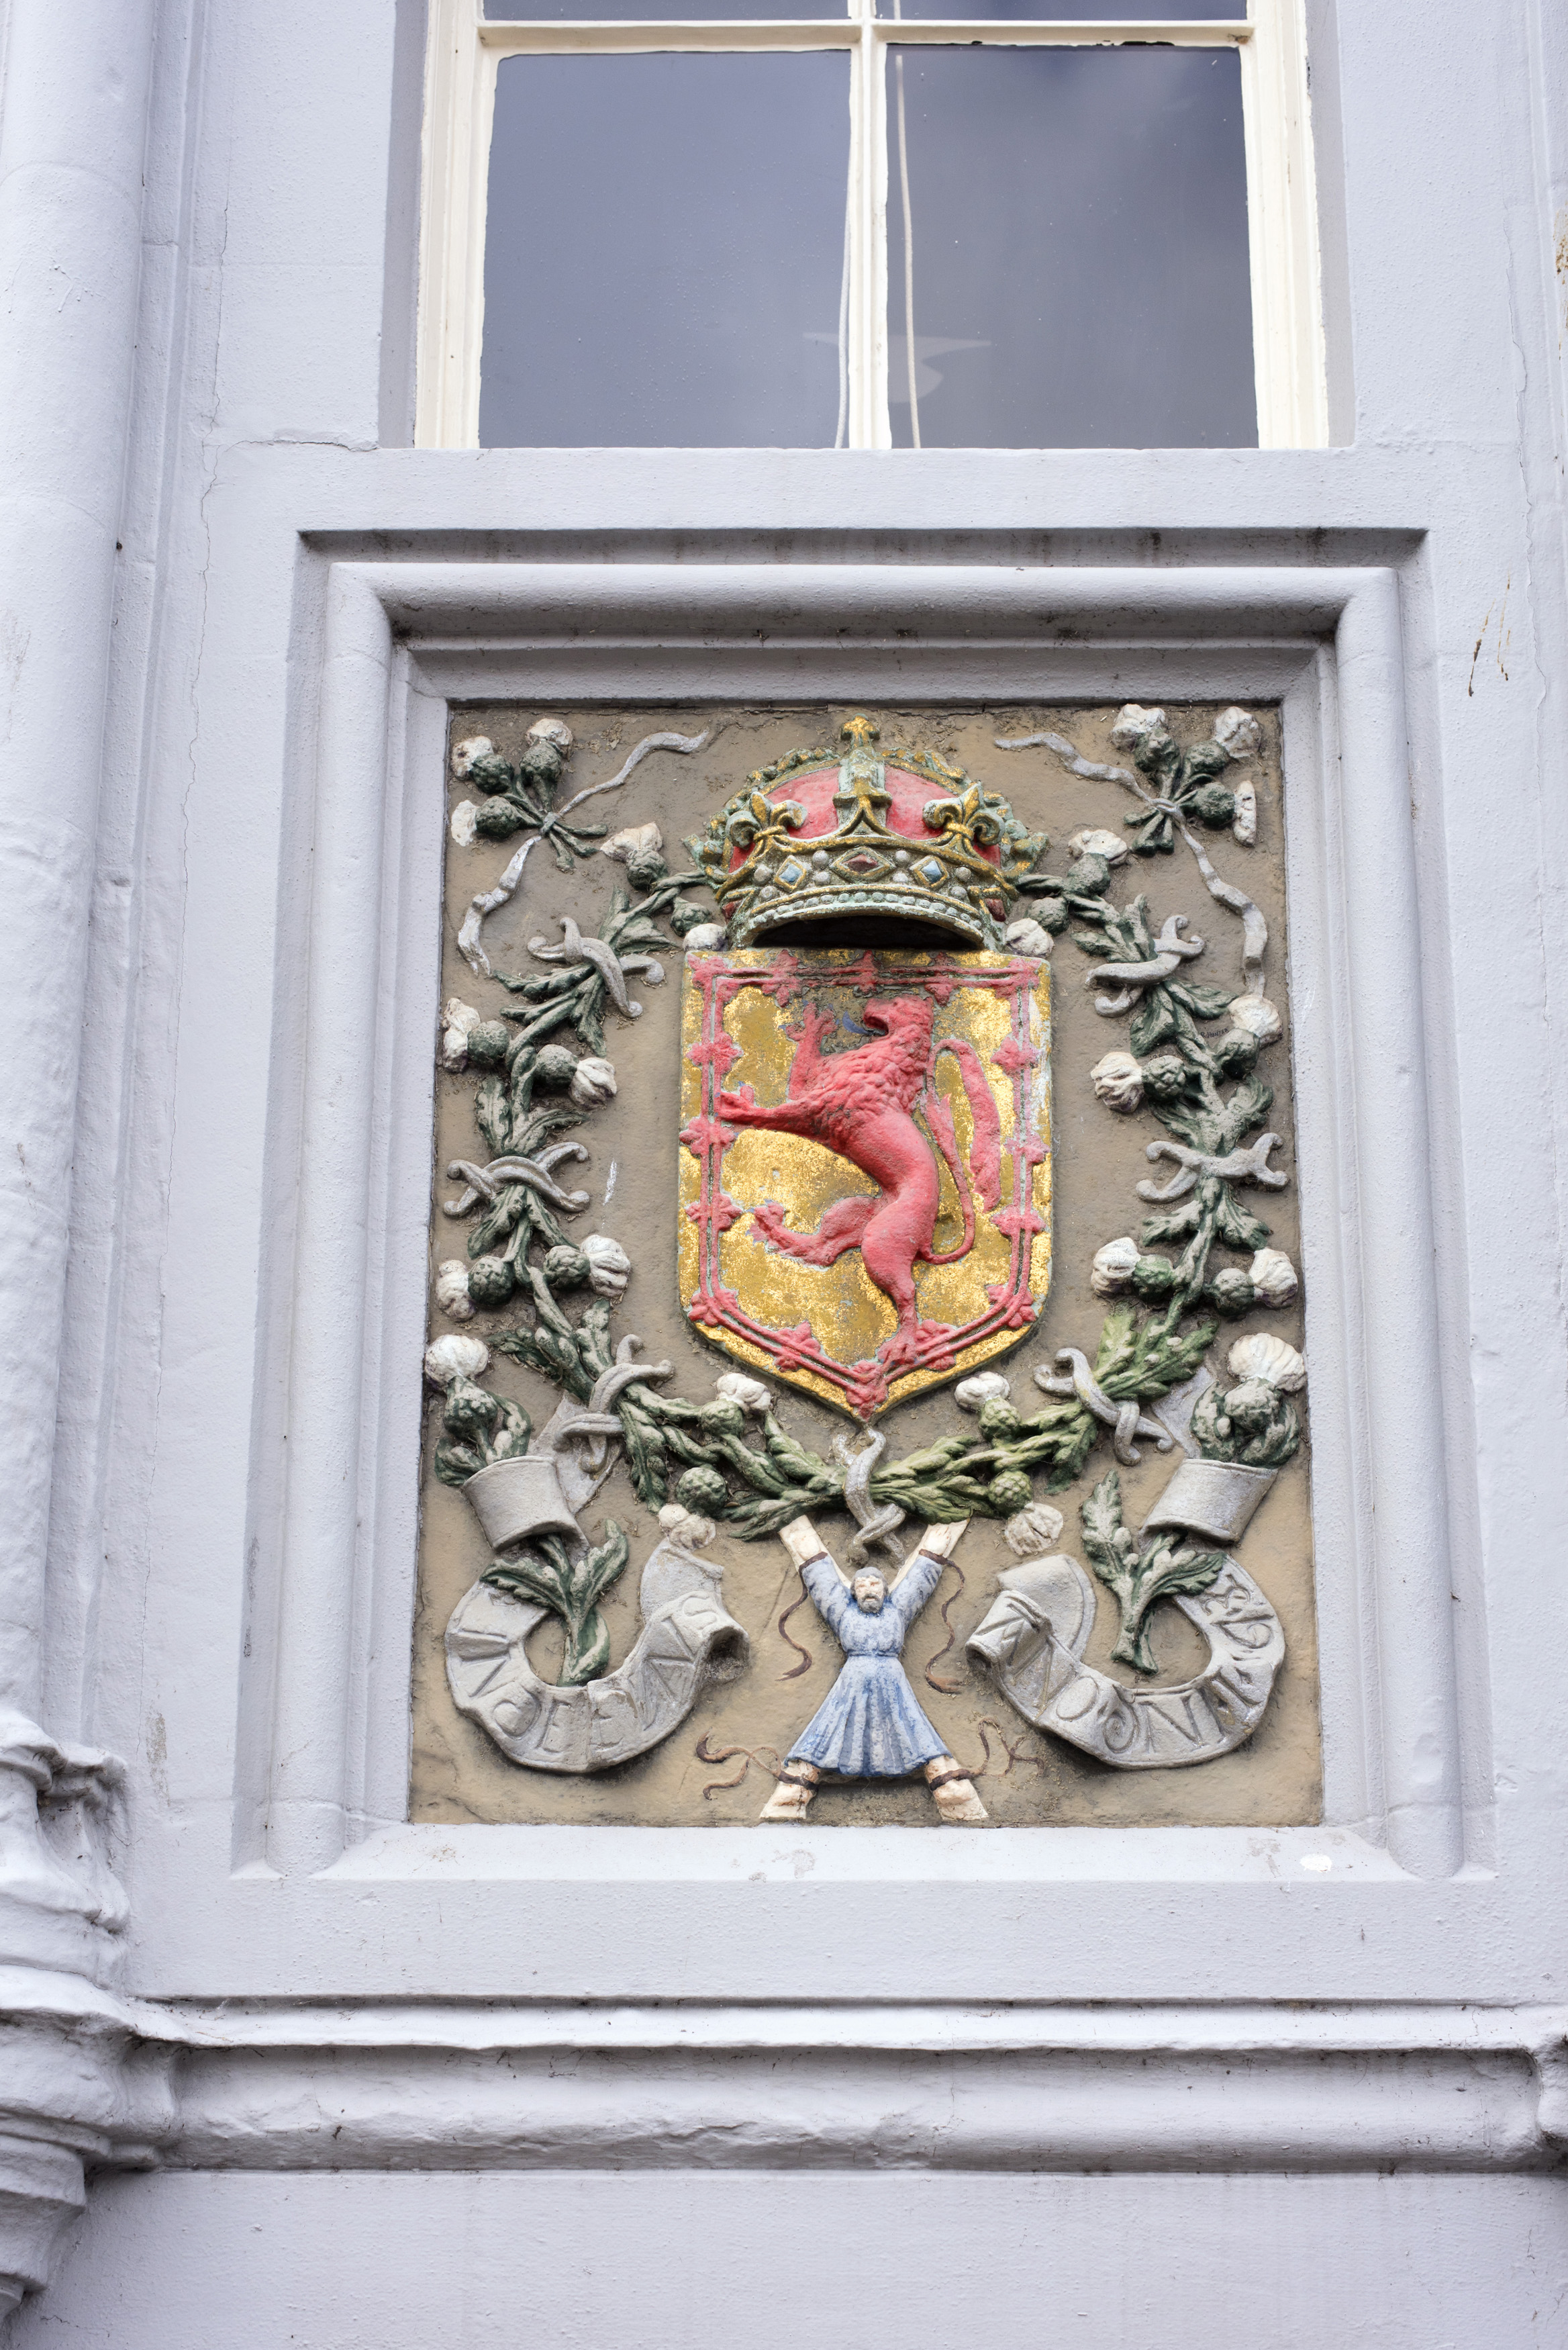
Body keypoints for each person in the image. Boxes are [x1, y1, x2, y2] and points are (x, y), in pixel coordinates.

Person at [761, 1519, 987, 1823]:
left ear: (885, 1589)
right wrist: (810, 1554)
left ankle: (951, 1792)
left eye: (875, 1584)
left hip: (892, 1680)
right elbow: (824, 1587)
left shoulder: (897, 1610)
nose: (869, 1589)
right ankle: (793, 1793)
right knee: (830, 1728)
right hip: (853, 1680)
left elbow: (918, 1584)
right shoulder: (843, 1613)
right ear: (853, 1592)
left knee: (912, 1728)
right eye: (862, 1585)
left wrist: (934, 1550)